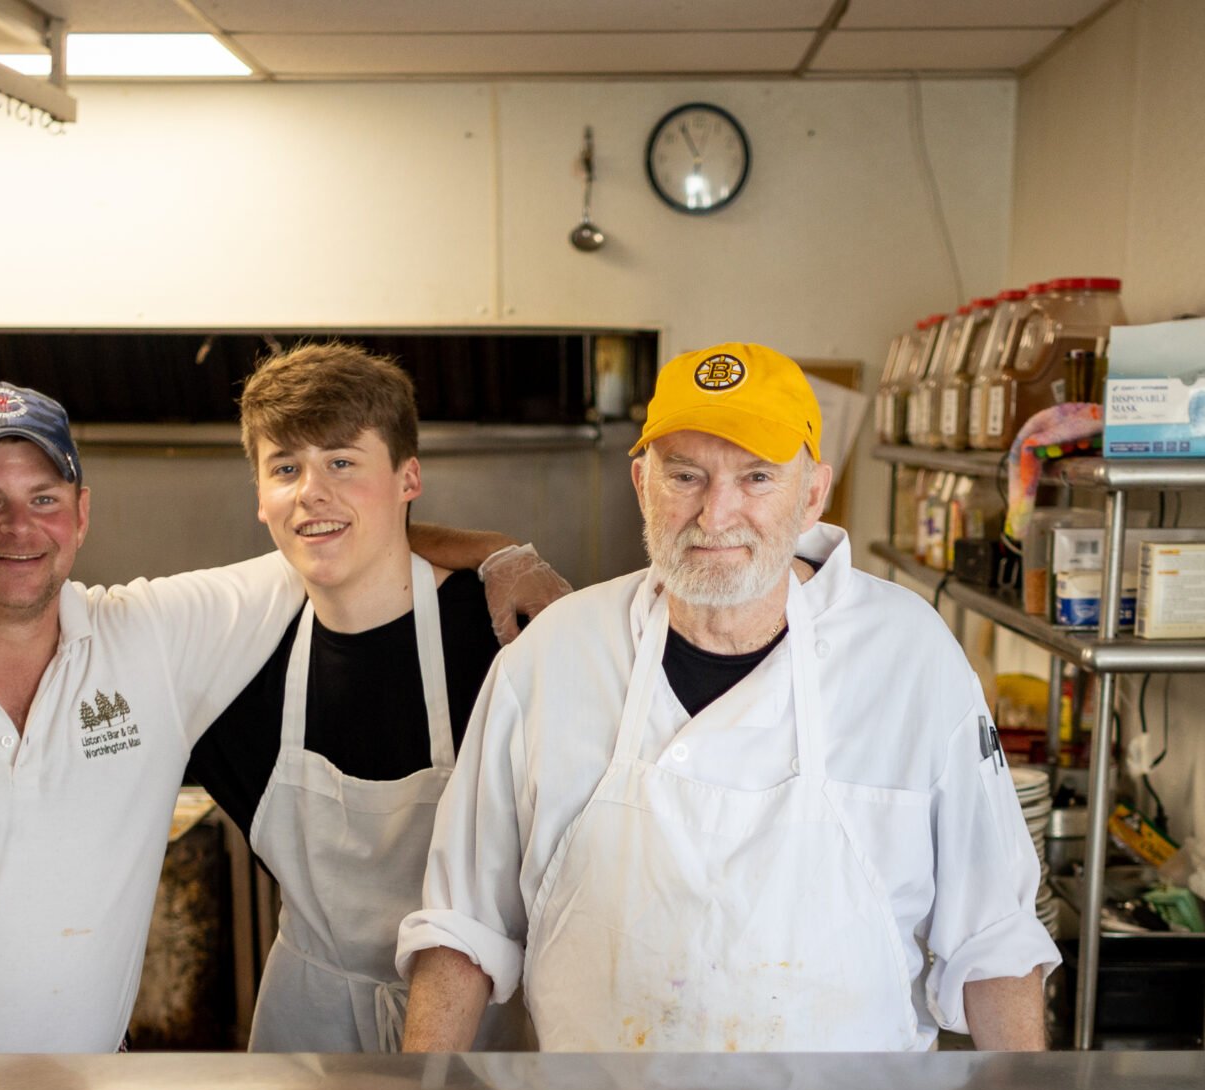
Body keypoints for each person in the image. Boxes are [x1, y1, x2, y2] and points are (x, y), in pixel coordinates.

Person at [0, 354, 563, 1051]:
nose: (313, 493)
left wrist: (503, 553)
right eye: (285, 468)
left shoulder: (505, 632)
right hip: (305, 1025)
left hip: (476, 1025)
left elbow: (350, 539)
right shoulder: (218, 646)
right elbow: (3, 590)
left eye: (345, 464)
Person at [398, 342, 1060, 1053]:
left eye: (756, 477)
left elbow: (994, 940)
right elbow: (461, 928)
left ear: (812, 494)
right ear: (640, 484)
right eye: (685, 474)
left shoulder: (910, 659)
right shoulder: (551, 658)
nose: (716, 515)